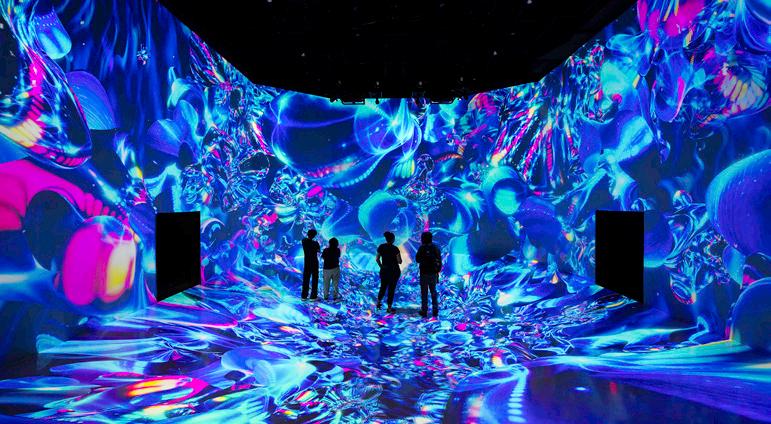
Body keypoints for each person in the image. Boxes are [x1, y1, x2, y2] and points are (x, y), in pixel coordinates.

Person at [415, 231, 441, 318]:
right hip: (433, 273)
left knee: (424, 292)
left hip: (424, 273)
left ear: (423, 239)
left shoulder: (421, 248)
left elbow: (417, 259)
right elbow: (439, 260)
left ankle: (424, 311)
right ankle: (435, 310)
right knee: (433, 292)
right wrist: (437, 271)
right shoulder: (435, 248)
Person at [376, 231, 402, 313]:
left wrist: (381, 266)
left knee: (383, 287)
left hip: (384, 271)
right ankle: (389, 308)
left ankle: (378, 304)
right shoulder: (395, 249)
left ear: (386, 239)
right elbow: (400, 261)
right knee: (391, 289)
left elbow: (377, 259)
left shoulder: (381, 247)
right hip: (394, 271)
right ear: (393, 239)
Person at [301, 229, 321, 300]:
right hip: (314, 262)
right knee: (315, 279)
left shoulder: (304, 241)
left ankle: (304, 296)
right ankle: (313, 296)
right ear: (314, 235)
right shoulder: (315, 243)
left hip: (307, 262)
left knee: (306, 279)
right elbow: (319, 251)